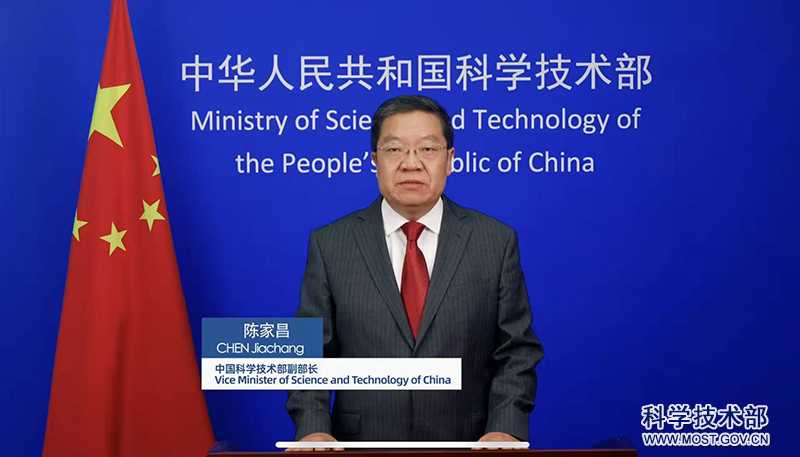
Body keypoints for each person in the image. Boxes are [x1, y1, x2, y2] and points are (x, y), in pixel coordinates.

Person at [286, 95, 544, 448]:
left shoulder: (494, 241)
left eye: (427, 149)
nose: (411, 164)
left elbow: (517, 350)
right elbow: (309, 353)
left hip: (468, 445)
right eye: (394, 150)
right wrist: (312, 428)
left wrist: (505, 427)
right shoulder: (331, 243)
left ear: (449, 160)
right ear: (374, 160)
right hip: (361, 446)